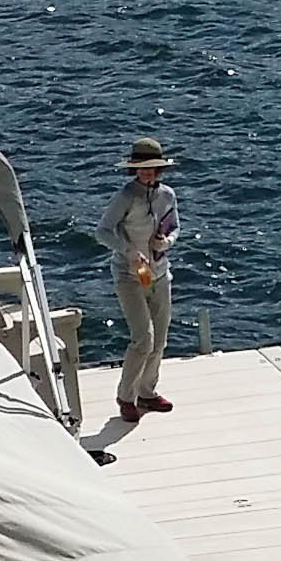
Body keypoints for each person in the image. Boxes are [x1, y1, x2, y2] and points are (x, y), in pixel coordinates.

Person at [95, 137, 180, 421]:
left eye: (151, 167)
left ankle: (147, 392)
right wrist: (129, 251)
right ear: (134, 168)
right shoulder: (125, 196)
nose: (146, 171)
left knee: (160, 339)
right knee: (143, 338)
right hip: (130, 275)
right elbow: (103, 231)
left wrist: (165, 242)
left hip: (158, 272)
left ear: (159, 170)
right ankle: (125, 397)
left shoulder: (167, 195)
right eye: (140, 166)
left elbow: (175, 227)